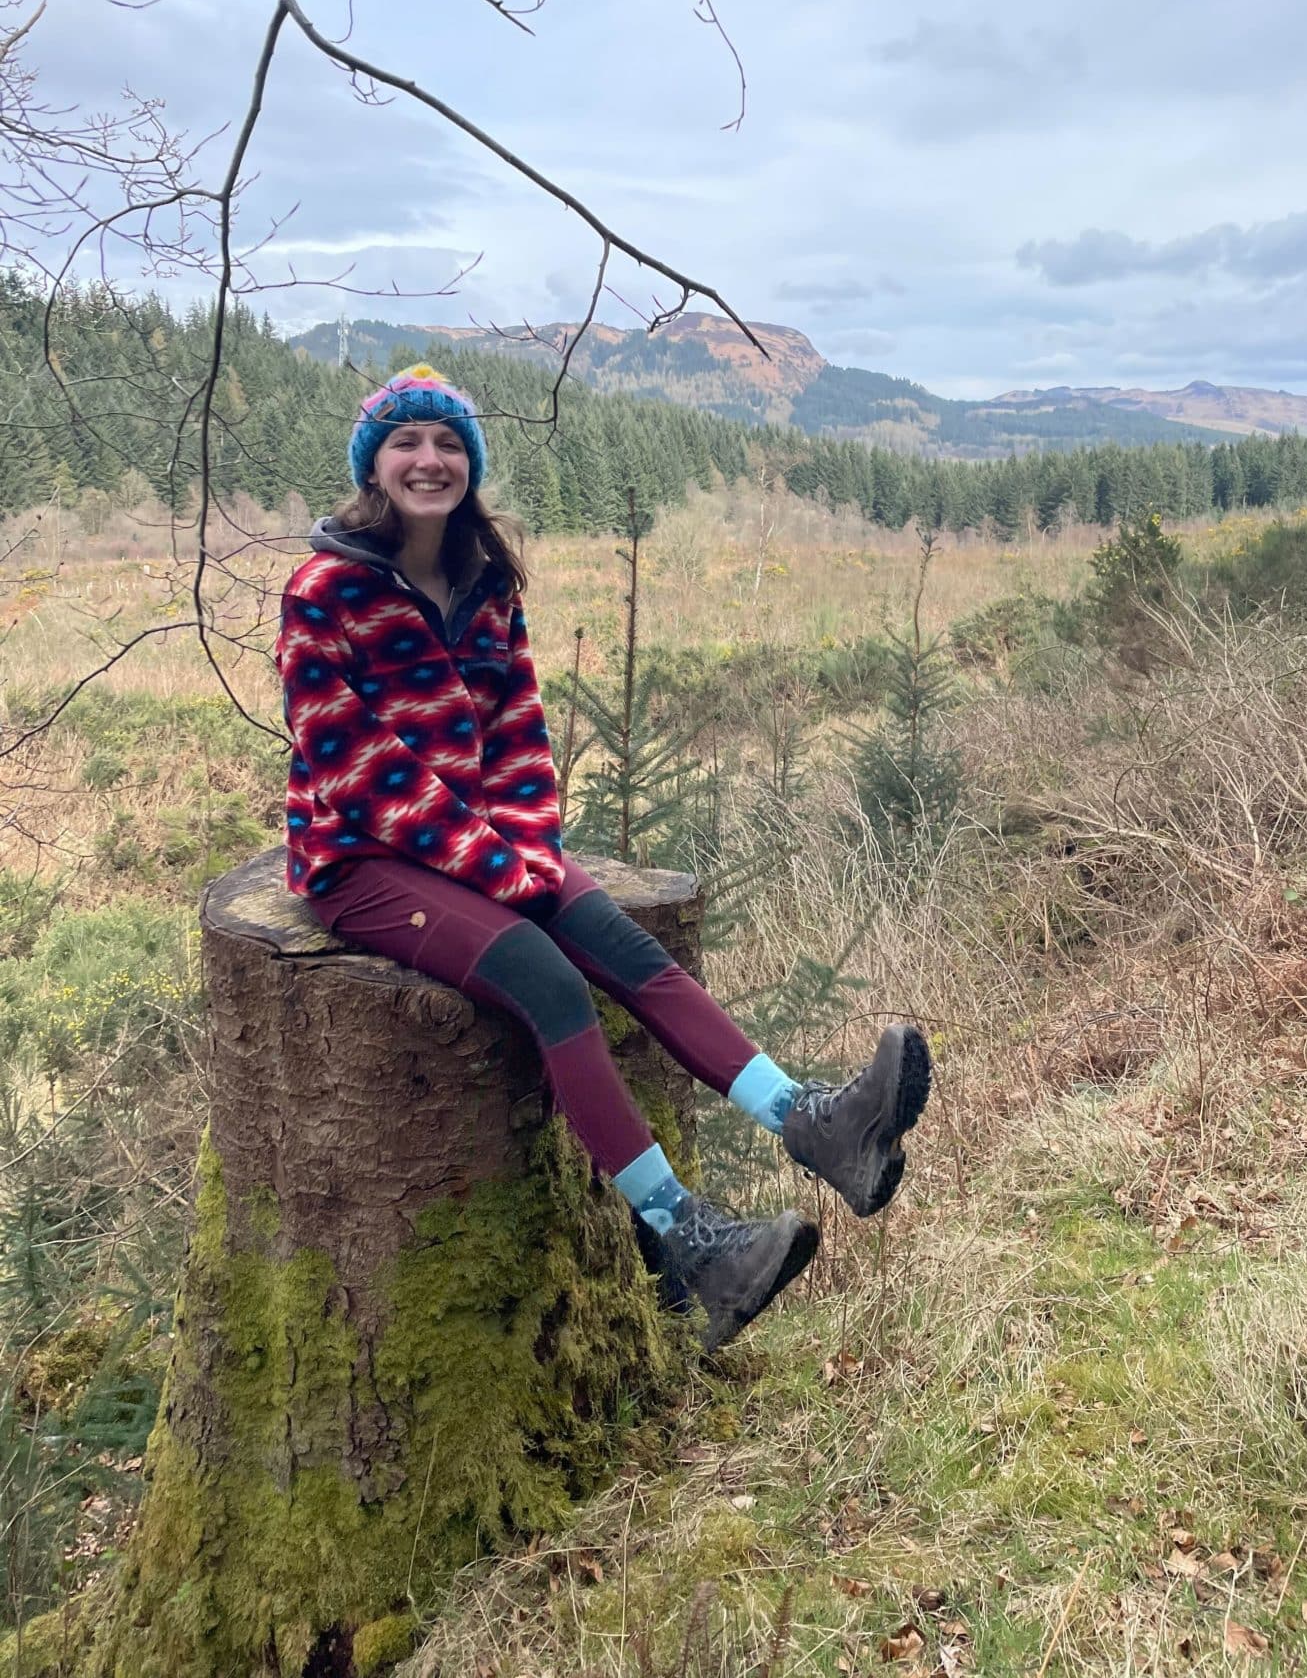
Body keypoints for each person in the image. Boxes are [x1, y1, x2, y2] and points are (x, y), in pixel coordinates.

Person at [276, 364, 931, 1351]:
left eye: (449, 442)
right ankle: (687, 1241)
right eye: (407, 441)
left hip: (481, 844)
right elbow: (358, 767)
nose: (429, 459)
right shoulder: (326, 589)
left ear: (470, 463)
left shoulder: (485, 581)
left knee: (629, 951)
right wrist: (498, 872)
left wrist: (528, 846)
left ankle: (819, 1125)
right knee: (552, 983)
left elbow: (517, 733)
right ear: (374, 463)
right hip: (360, 860)